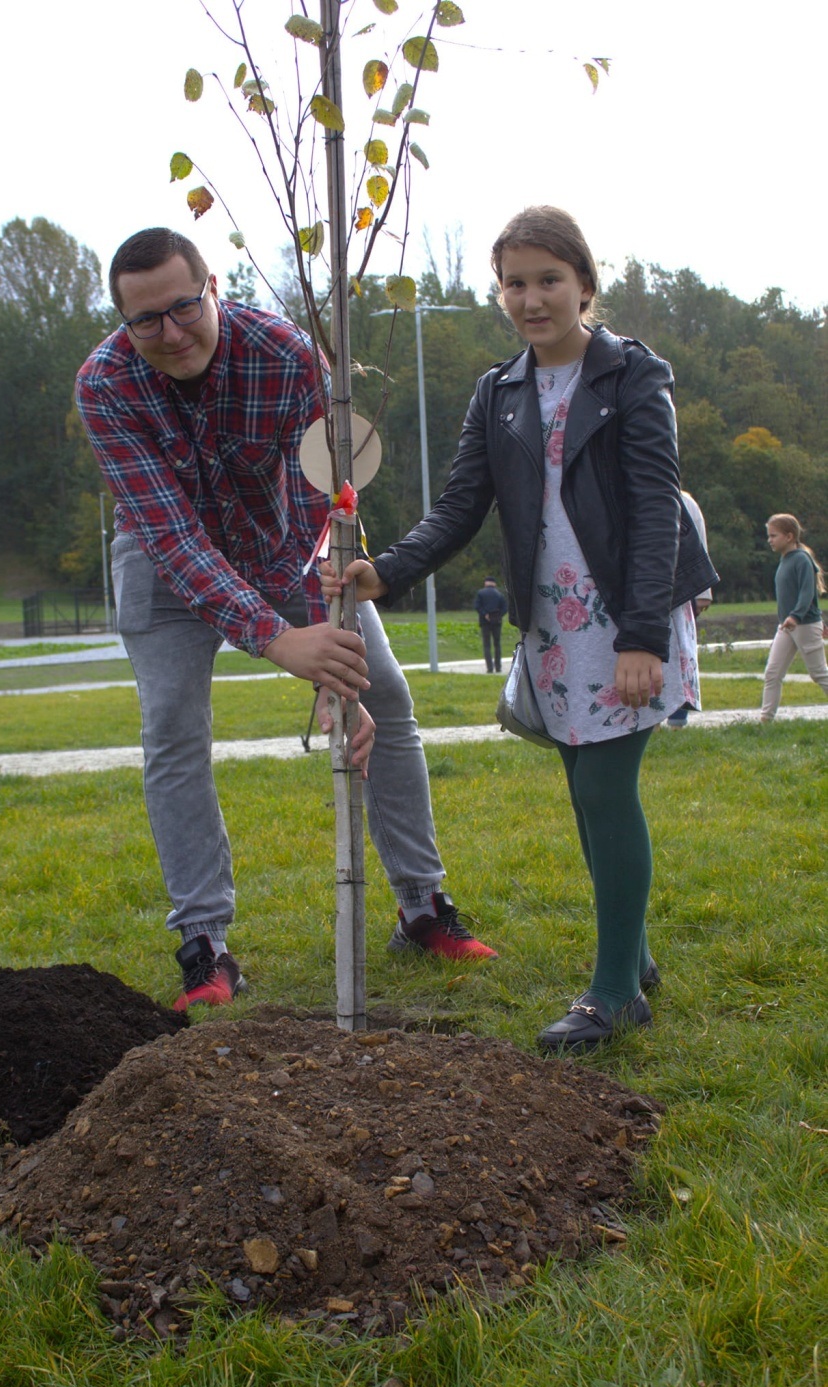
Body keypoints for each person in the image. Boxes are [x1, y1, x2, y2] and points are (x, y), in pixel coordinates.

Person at [323, 206, 717, 1053]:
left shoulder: (634, 379)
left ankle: (616, 993)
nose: (532, 299)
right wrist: (386, 570)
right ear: (498, 291)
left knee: (607, 791)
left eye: (549, 280)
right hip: (553, 621)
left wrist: (643, 635)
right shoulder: (498, 393)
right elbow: (462, 505)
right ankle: (635, 955)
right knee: (584, 787)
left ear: (585, 284)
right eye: (515, 283)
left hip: (624, 616)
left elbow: (655, 513)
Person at [75, 228, 498, 1012]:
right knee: (172, 726)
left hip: (289, 547)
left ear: (214, 287)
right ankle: (205, 945)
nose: (170, 335)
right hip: (165, 566)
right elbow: (172, 536)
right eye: (145, 322)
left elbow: (320, 502)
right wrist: (279, 641)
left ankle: (422, 906)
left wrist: (328, 656)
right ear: (121, 323)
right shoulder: (105, 385)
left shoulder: (290, 356)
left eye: (182, 308)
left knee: (388, 699)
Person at [760, 513, 828, 720]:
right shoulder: (786, 559)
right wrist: (788, 620)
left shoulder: (801, 559)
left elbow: (807, 593)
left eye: (774, 535)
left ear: (789, 537)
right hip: (787, 626)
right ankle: (765, 720)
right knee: (772, 673)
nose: (770, 540)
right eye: (769, 536)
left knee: (819, 673)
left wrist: (796, 617)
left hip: (804, 625)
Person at [666, 490, 714, 728]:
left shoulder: (685, 501)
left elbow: (698, 546)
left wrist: (703, 593)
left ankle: (677, 717)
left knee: (680, 654)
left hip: (681, 591)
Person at [474, 576, 508, 672]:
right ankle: (498, 667)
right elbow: (505, 608)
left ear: (485, 583)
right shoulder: (499, 594)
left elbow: (477, 606)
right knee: (497, 644)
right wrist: (498, 615)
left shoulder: (480, 593)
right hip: (497, 622)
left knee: (487, 645)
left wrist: (485, 614)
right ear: (494, 584)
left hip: (485, 622)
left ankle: (489, 668)